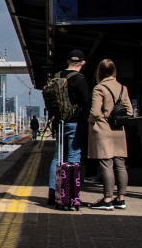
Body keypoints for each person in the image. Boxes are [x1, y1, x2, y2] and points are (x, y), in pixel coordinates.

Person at [88, 58, 134, 210]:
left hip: (104, 130)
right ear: (114, 70)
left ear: (99, 71)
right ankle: (120, 199)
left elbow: (95, 112)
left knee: (106, 164)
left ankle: (107, 199)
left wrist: (94, 120)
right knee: (120, 165)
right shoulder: (123, 88)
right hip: (119, 130)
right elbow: (130, 111)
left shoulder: (99, 88)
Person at [47, 49, 92, 205]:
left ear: (67, 61)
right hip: (75, 123)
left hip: (59, 122)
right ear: (83, 63)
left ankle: (53, 194)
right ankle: (70, 195)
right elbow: (87, 103)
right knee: (73, 158)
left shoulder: (57, 77)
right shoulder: (80, 79)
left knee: (57, 158)